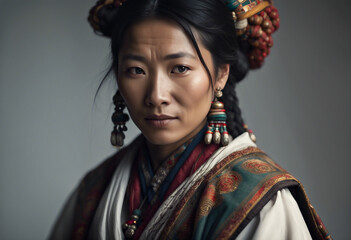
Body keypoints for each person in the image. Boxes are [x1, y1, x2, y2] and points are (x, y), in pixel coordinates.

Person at [49, 0, 332, 239]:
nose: (156, 95)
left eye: (180, 68)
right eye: (136, 70)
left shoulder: (260, 204)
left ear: (221, 73)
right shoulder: (96, 189)